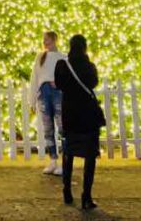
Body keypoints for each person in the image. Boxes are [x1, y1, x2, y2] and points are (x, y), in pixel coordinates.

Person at [54, 34, 103, 210]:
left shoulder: (62, 65)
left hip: (70, 114)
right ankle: (86, 196)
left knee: (68, 153)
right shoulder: (89, 66)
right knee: (90, 156)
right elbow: (94, 83)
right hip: (87, 115)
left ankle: (67, 191)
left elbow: (59, 84)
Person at [28, 31, 67, 175]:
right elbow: (34, 78)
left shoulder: (63, 57)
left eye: (48, 40)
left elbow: (67, 77)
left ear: (54, 40)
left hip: (58, 93)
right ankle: (53, 160)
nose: (45, 42)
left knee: (62, 127)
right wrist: (32, 99)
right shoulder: (40, 57)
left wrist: (59, 83)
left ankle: (64, 162)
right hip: (43, 93)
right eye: (44, 40)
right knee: (48, 129)